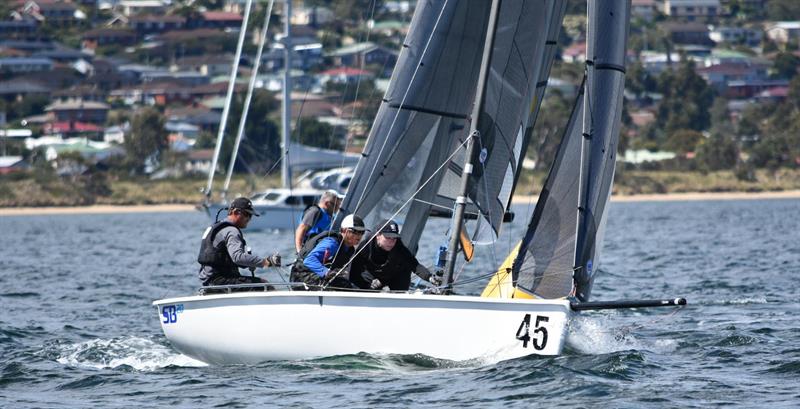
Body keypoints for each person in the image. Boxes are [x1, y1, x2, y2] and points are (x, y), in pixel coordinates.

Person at [197, 197, 281, 290]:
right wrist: (265, 262)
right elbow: (237, 257)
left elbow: (227, 258)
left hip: (208, 281)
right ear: (236, 212)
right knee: (266, 286)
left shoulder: (217, 227)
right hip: (220, 281)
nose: (249, 218)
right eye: (247, 214)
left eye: (250, 215)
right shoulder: (232, 231)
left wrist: (250, 263)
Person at [349, 219, 442, 291]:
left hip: (391, 274)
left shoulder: (398, 246)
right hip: (372, 275)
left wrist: (430, 278)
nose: (391, 242)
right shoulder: (366, 245)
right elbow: (354, 271)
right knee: (363, 285)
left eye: (394, 238)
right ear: (378, 235)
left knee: (405, 270)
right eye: (388, 237)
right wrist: (365, 285)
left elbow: (414, 264)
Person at [290, 214, 364, 289]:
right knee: (336, 287)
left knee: (349, 286)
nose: (359, 235)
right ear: (344, 230)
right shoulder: (332, 243)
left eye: (362, 232)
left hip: (317, 276)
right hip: (300, 275)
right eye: (355, 231)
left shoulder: (350, 250)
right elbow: (309, 260)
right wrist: (327, 272)